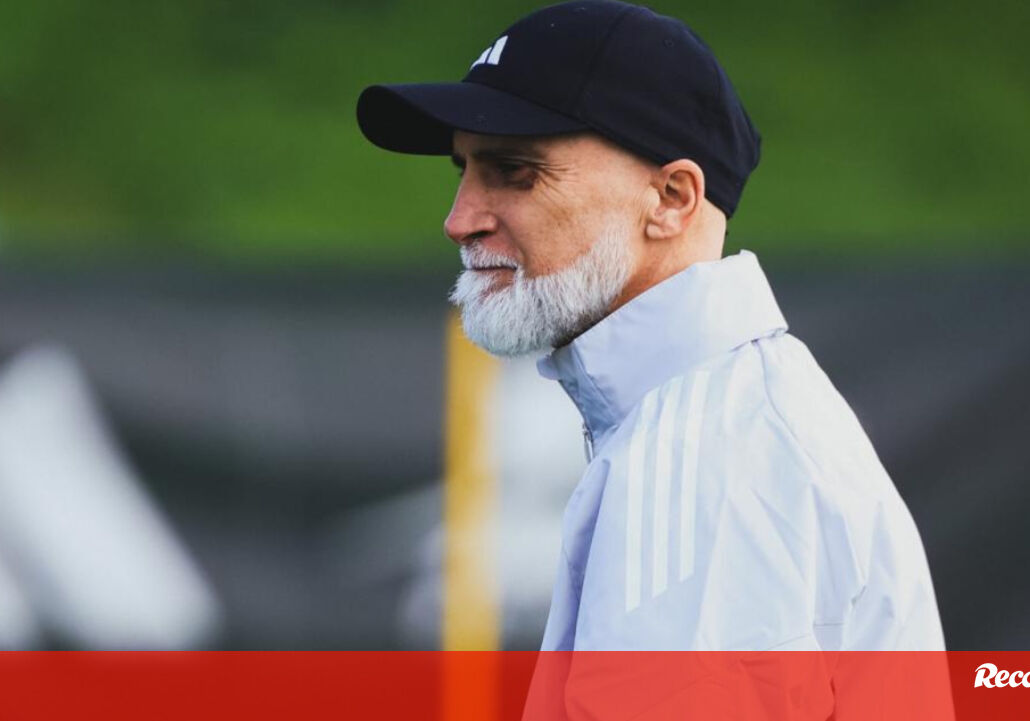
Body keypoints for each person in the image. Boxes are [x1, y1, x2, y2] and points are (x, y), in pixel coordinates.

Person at [356, 0, 945, 655]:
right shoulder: (717, 417)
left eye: (514, 172)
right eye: (463, 170)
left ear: (671, 199)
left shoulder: (704, 455)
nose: (459, 219)